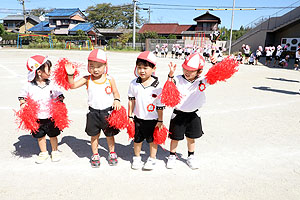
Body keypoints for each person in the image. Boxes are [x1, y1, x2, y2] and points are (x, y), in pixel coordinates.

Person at [65, 49, 121, 168]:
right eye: (92, 66)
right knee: (94, 136)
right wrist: (70, 75)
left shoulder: (109, 79)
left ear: (105, 65)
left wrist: (117, 100)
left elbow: (116, 93)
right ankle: (95, 155)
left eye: (99, 66)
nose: (95, 69)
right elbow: (72, 85)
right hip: (93, 113)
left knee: (110, 135)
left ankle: (112, 153)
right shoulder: (87, 79)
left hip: (107, 113)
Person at [18, 55, 64, 164]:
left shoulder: (51, 84)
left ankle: (55, 150)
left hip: (50, 115)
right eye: (49, 69)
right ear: (39, 72)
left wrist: (60, 100)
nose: (51, 71)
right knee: (40, 136)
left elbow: (59, 93)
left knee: (53, 134)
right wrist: (23, 103)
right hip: (37, 116)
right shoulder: (29, 86)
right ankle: (43, 152)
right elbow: (22, 96)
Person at [166, 53, 207, 170]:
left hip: (193, 114)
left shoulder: (202, 81)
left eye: (191, 70)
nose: (187, 72)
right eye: (185, 69)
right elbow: (169, 86)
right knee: (175, 138)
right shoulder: (178, 79)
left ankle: (191, 157)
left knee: (191, 138)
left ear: (199, 71)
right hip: (178, 114)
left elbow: (215, 76)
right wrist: (170, 75)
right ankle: (172, 156)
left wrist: (215, 62)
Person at [128, 51, 165, 170]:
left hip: (152, 119)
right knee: (137, 139)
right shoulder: (134, 83)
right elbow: (131, 100)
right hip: (138, 118)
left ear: (154, 68)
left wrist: (160, 120)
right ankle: (137, 157)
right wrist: (130, 116)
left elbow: (160, 105)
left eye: (145, 68)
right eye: (139, 67)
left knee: (152, 140)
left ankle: (152, 158)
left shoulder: (158, 85)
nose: (142, 71)